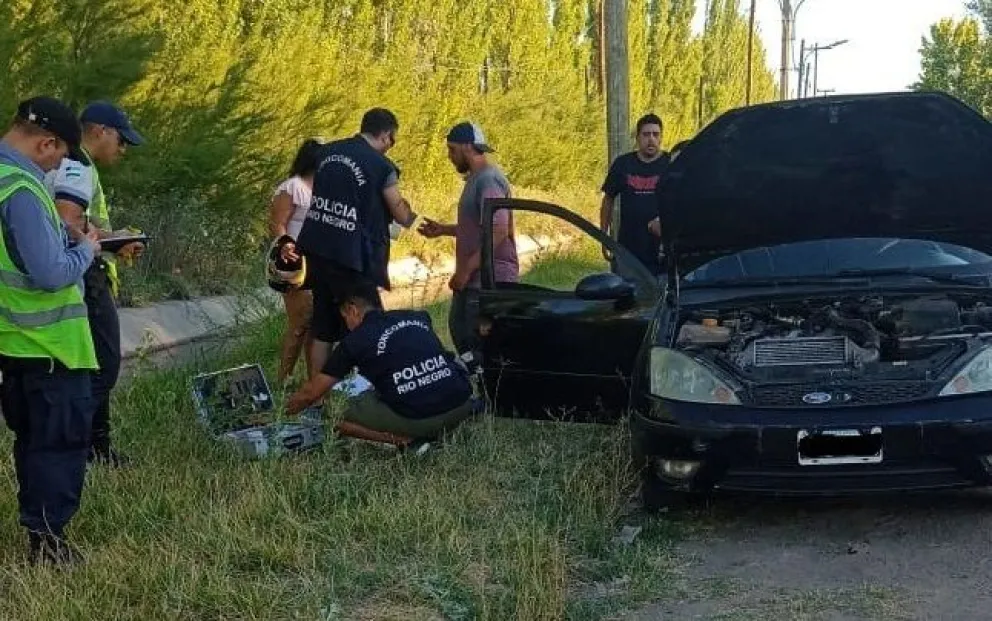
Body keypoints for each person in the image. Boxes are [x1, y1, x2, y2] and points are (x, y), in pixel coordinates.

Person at [0, 96, 101, 566]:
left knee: (33, 443)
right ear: (46, 143)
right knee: (58, 446)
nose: (60, 165)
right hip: (51, 347)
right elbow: (48, 271)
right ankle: (48, 543)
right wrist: (87, 251)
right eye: (60, 155)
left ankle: (37, 528)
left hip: (15, 343)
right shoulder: (21, 187)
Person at [282, 109, 418, 378]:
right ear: (387, 135)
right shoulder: (381, 166)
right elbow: (400, 212)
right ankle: (371, 387)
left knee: (324, 326)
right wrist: (412, 217)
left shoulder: (326, 153)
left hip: (318, 251)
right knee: (370, 323)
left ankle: (318, 395)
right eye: (393, 140)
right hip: (353, 258)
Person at [46, 101, 146, 468]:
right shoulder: (76, 166)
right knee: (103, 368)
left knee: (94, 367)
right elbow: (68, 224)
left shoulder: (72, 163)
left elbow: (79, 225)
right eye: (121, 140)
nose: (122, 150)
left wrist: (112, 238)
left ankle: (95, 449)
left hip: (88, 269)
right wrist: (113, 241)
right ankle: (79, 449)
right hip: (87, 275)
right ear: (100, 130)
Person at [285, 283, 476, 448]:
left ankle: (404, 441)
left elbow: (311, 393)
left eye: (345, 317)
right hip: (461, 406)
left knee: (332, 411)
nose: (347, 325)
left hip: (424, 420)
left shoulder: (355, 341)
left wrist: (281, 413)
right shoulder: (417, 316)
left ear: (353, 310)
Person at [417, 122, 518, 362]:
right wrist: (443, 230)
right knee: (460, 332)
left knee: (478, 343)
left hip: (488, 280)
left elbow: (498, 230)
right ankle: (476, 385)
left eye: (452, 149)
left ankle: (486, 392)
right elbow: (478, 228)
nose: (449, 156)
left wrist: (466, 270)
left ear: (467, 146)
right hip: (474, 279)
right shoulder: (475, 179)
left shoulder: (489, 180)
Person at [268, 138, 322, 384]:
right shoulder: (292, 187)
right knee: (299, 322)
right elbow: (277, 222)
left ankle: (313, 380)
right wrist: (285, 243)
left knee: (317, 325)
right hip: (296, 264)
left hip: (319, 263)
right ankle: (284, 379)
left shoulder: (324, 189)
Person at [600, 113, 670, 273]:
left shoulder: (670, 163)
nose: (651, 139)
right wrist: (604, 236)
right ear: (637, 138)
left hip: (662, 252)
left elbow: (684, 201)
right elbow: (608, 199)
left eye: (655, 134)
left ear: (661, 138)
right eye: (646, 134)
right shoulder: (623, 164)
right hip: (628, 251)